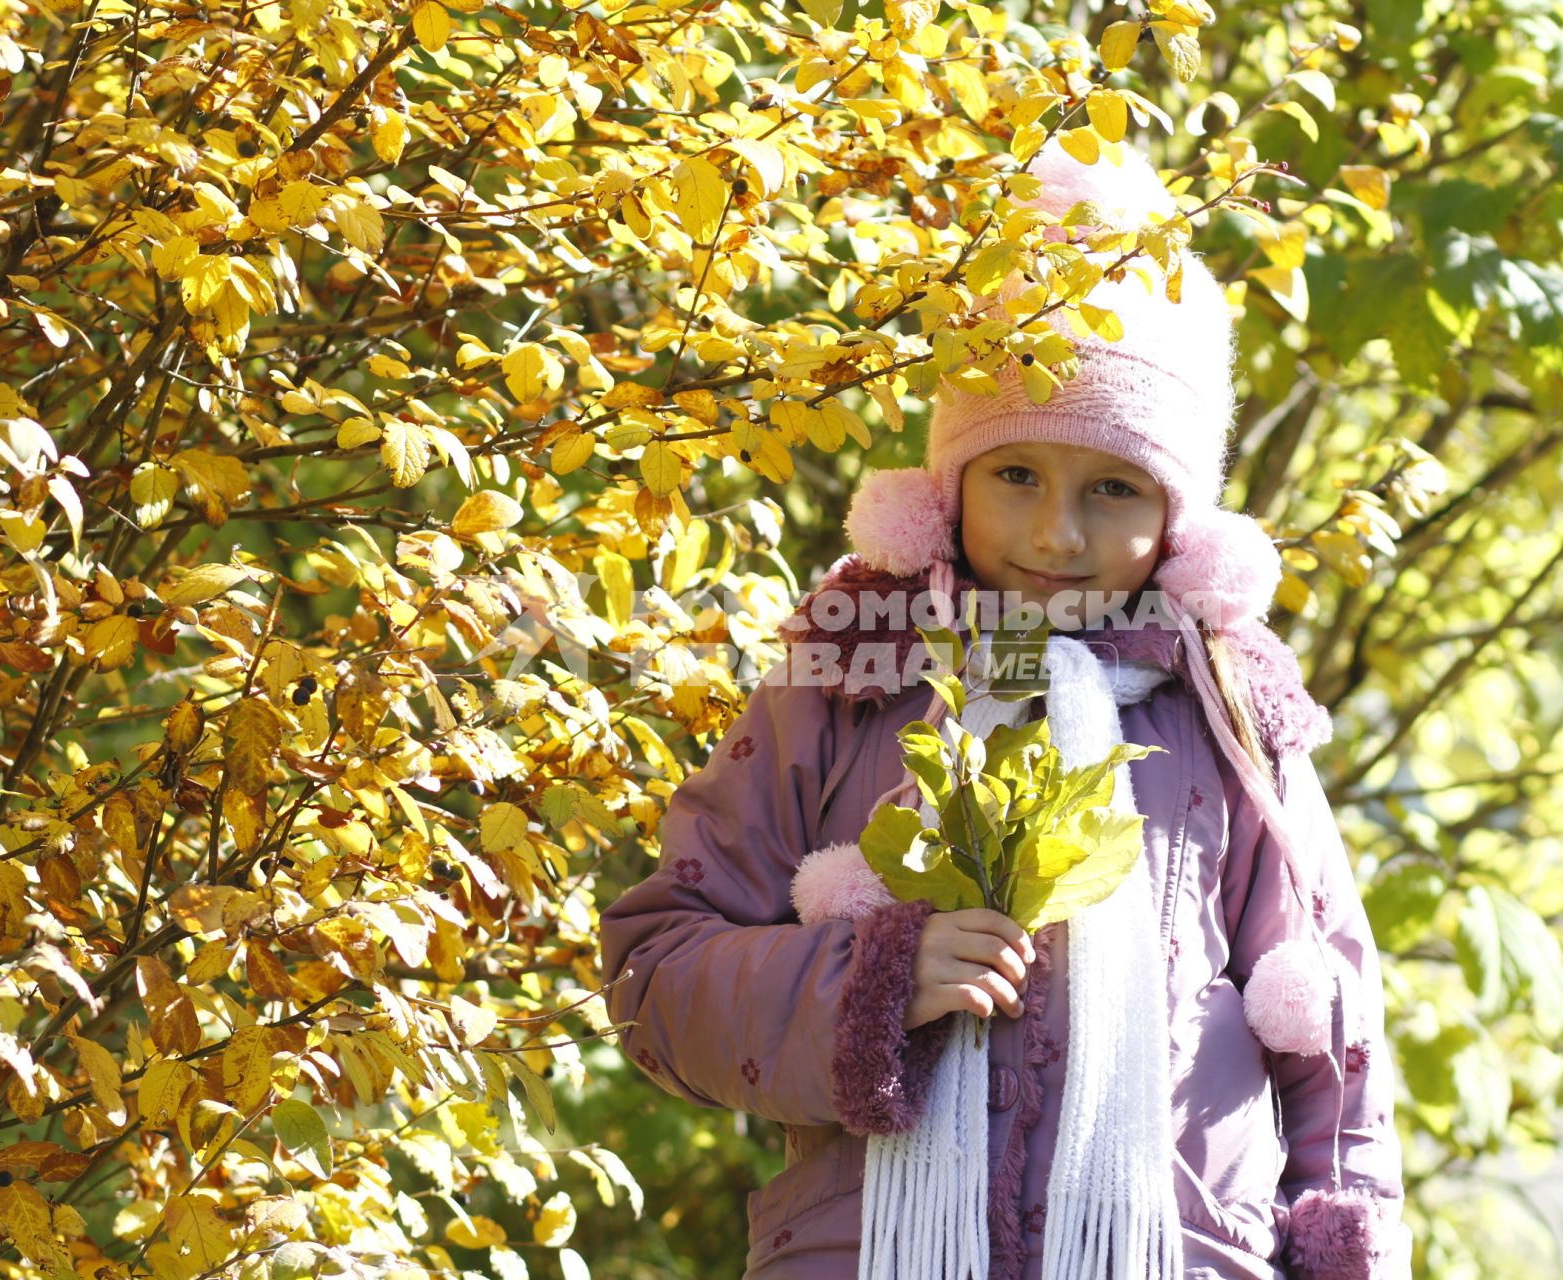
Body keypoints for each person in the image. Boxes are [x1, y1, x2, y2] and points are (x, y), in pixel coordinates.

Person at [598, 138, 1408, 1280]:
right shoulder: (850, 673)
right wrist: (871, 983)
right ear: (949, 484)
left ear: (1178, 513)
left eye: (1113, 487)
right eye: (1015, 473)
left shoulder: (1230, 709)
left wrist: (1344, 1249)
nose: (1055, 534)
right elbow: (658, 969)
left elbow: (1331, 1023)